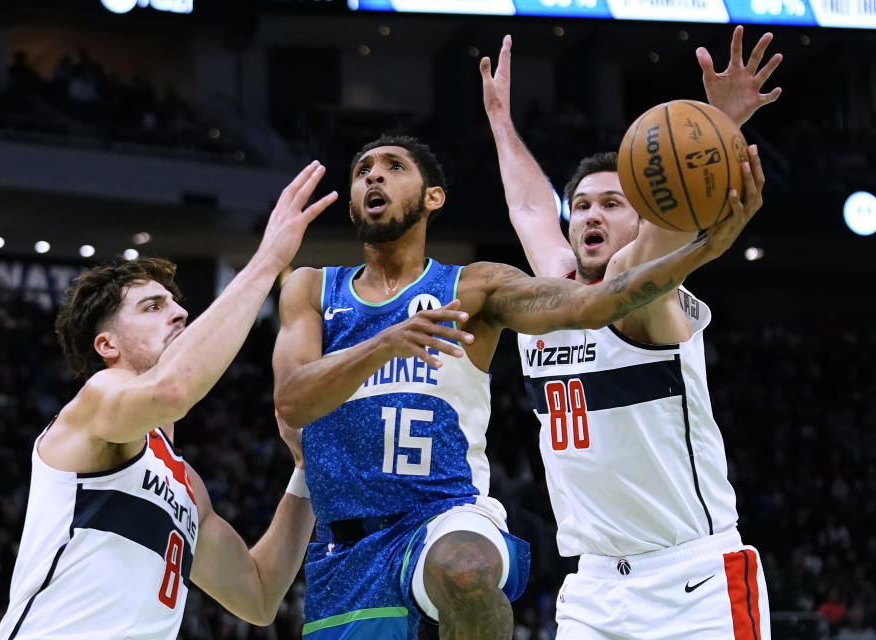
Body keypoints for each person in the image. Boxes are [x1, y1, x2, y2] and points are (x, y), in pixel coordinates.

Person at [271, 123, 765, 637]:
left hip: (465, 523)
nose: (375, 176)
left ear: (434, 196)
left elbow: (603, 295)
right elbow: (291, 403)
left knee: (466, 568)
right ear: (352, 204)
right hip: (582, 579)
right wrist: (500, 118)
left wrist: (702, 248)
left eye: (394, 167)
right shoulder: (312, 288)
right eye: (363, 172)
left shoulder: (480, 289)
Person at [480, 27, 781, 639]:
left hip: (693, 584)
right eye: (583, 205)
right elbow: (532, 209)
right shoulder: (556, 293)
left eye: (612, 204)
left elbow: (660, 235)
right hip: (593, 588)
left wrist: (718, 122)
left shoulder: (641, 291)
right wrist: (499, 121)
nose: (591, 214)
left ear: (646, 210)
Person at [0, 162, 337, 640]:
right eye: (152, 307)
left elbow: (258, 596)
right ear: (107, 345)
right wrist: (266, 262)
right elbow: (171, 391)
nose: (179, 313)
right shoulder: (97, 402)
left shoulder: (184, 484)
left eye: (176, 304)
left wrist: (304, 470)